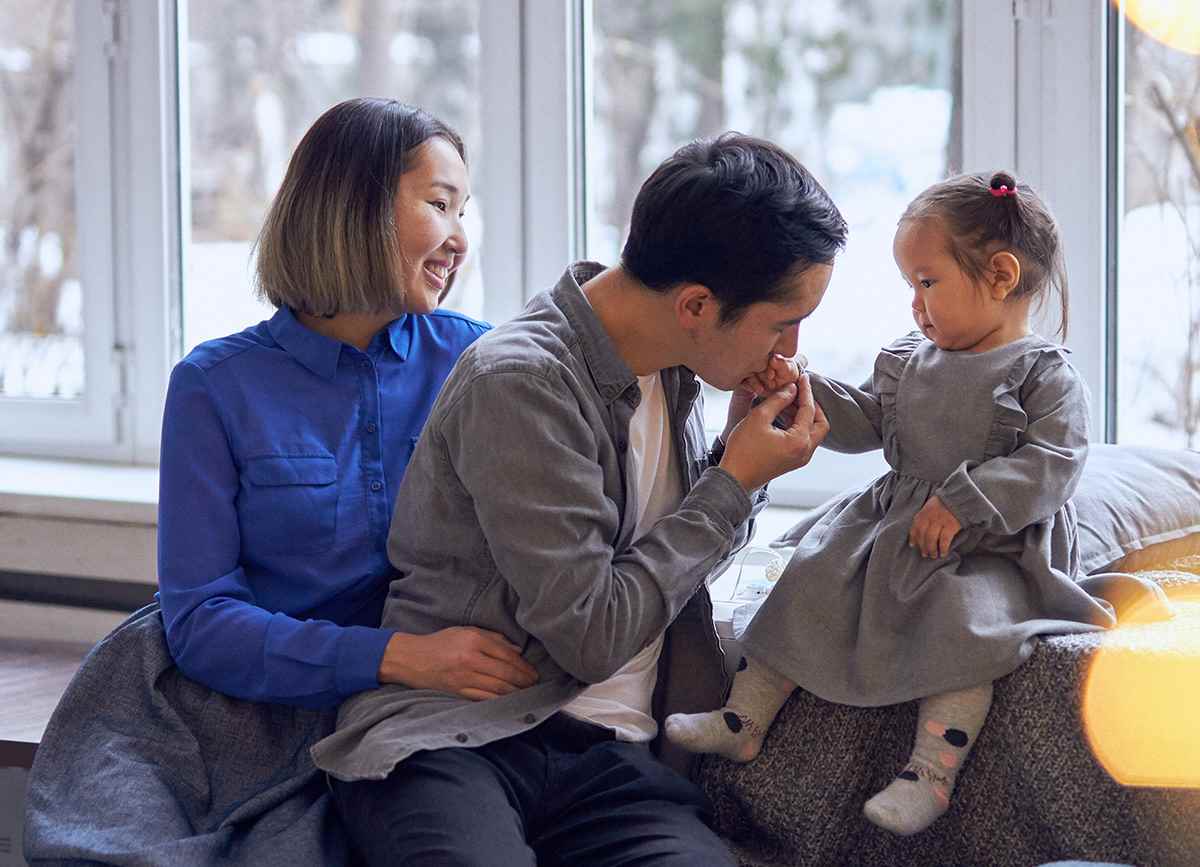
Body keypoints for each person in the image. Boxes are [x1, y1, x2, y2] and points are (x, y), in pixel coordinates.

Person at [310, 133, 849, 866]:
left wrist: (731, 464)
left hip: (615, 765)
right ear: (696, 303)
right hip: (460, 735)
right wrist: (734, 483)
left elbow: (672, 564)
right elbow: (591, 633)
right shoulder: (522, 383)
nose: (790, 345)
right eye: (783, 321)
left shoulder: (681, 370)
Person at [24, 97, 535, 864]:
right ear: (354, 207)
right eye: (439, 205)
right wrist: (397, 653)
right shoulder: (213, 385)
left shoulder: (479, 364)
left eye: (467, 211)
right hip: (230, 704)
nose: (461, 239)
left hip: (407, 717)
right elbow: (200, 619)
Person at [665, 170, 1129, 837]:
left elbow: (1053, 465)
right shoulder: (910, 358)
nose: (916, 303)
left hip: (987, 542)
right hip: (896, 521)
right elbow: (867, 422)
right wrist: (803, 389)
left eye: (928, 283)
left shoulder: (1043, 373)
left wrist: (966, 499)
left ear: (999, 275)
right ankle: (744, 718)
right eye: (910, 285)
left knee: (965, 622)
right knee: (811, 573)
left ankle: (931, 772)